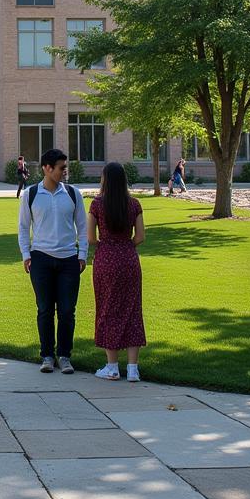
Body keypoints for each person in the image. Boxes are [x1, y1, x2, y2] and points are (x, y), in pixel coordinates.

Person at [18, 148, 88, 374]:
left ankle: (65, 356)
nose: (65, 172)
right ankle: (47, 355)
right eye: (61, 168)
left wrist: (82, 254)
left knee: (67, 311)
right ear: (47, 169)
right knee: (45, 310)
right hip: (41, 258)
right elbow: (23, 228)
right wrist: (26, 254)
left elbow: (83, 227)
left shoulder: (73, 193)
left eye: (65, 168)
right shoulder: (30, 194)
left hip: (69, 258)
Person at [88, 162, 146, 382]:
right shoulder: (133, 204)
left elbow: (91, 238)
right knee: (132, 310)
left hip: (105, 260)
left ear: (105, 179)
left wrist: (109, 244)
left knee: (107, 308)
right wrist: (125, 245)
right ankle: (133, 369)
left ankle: (112, 366)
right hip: (129, 260)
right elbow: (140, 237)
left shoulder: (97, 204)